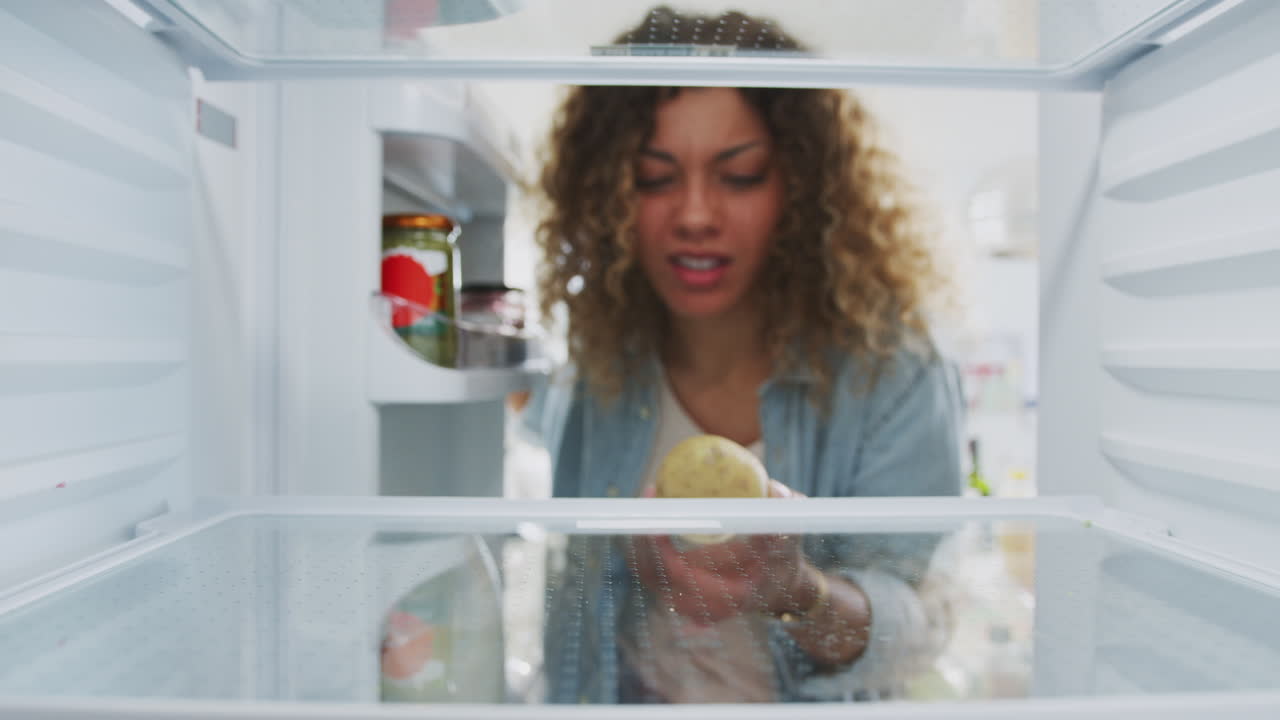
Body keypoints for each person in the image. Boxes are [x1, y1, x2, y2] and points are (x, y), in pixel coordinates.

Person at [516, 5, 964, 705]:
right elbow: (578, 596)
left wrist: (793, 587)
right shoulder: (605, 354)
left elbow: (916, 627)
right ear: (608, 194)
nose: (695, 214)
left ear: (801, 186)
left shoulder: (891, 369)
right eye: (655, 177)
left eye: (740, 173)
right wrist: (633, 555)